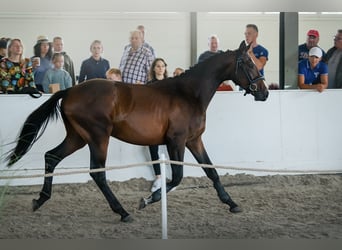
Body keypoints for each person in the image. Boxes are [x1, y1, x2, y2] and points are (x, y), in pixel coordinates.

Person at [146, 58, 168, 192]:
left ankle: (172, 178)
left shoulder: (170, 83)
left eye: (162, 66)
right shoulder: (149, 85)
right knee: (153, 148)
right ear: (154, 69)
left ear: (165, 68)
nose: (160, 68)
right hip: (153, 120)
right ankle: (159, 177)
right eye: (158, 66)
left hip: (168, 120)